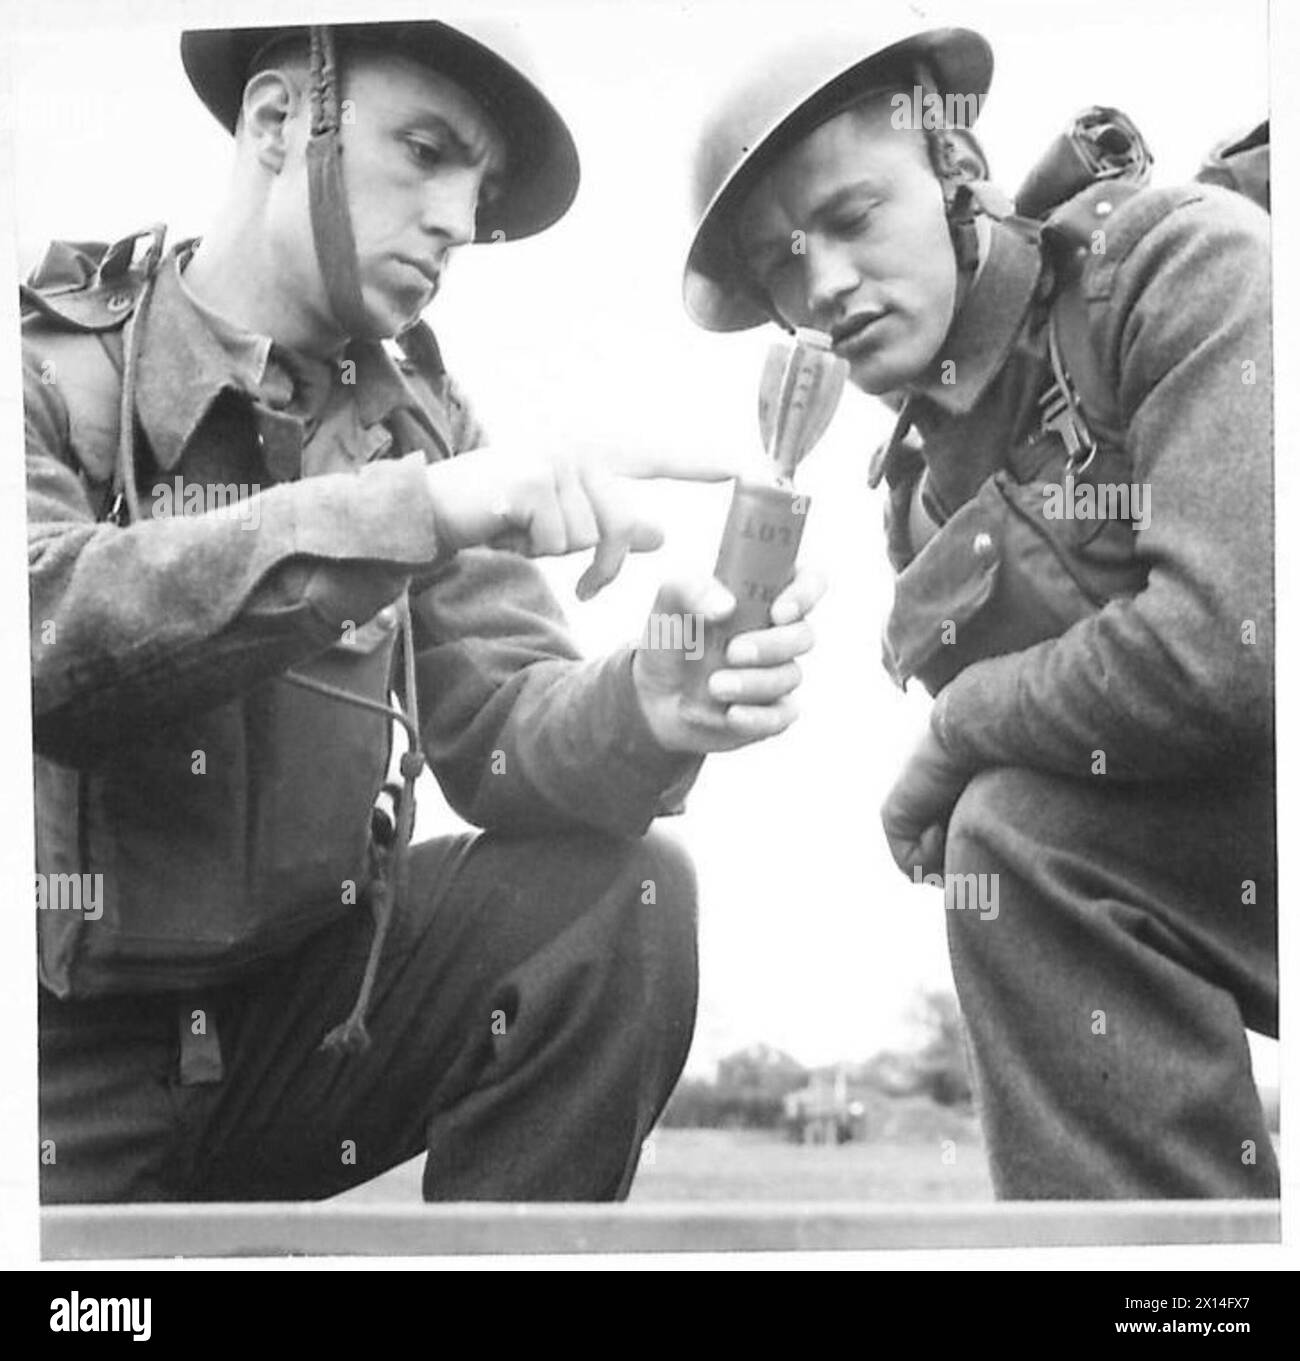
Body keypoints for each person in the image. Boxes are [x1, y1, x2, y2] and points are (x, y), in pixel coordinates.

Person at [27, 19, 821, 1203]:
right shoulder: (45, 367)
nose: (458, 215)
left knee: (628, 895)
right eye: (425, 150)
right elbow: (48, 639)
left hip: (301, 1034)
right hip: (50, 1068)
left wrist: (649, 701)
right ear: (277, 120)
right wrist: (414, 510)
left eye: (482, 186)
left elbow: (503, 725)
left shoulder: (419, 421)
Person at [683, 23, 1275, 1198]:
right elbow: (1061, 770)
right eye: (781, 267)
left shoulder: (1179, 260)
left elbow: (1229, 644)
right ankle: (1171, 1284)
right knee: (1016, 834)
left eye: (850, 219)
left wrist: (950, 735)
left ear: (954, 168)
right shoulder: (922, 493)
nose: (824, 286)